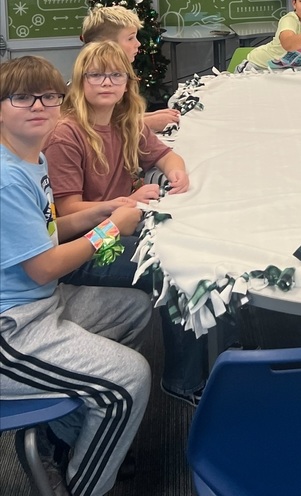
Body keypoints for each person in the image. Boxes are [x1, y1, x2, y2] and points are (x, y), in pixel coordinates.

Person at [1, 56, 151, 496]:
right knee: (130, 379)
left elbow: (45, 233)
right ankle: (86, 486)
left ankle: (72, 430)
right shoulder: (8, 178)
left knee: (134, 308)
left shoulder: (32, 159)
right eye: (22, 97)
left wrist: (102, 210)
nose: (39, 106)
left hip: (43, 303)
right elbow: (45, 265)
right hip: (13, 329)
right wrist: (108, 230)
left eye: (49, 96)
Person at [44, 41, 213, 407]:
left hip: (119, 227)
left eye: (115, 74)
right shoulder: (67, 135)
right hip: (84, 249)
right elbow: (67, 211)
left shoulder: (124, 123)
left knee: (187, 250)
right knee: (170, 266)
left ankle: (209, 362)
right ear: (80, 81)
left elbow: (165, 153)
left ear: (126, 82)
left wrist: (177, 171)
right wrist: (122, 206)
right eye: (96, 75)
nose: (106, 82)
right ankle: (185, 380)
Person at [80, 5, 180, 133]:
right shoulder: (92, 85)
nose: (138, 44)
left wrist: (150, 116)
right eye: (130, 38)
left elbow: (117, 117)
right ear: (107, 44)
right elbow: (100, 127)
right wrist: (149, 123)